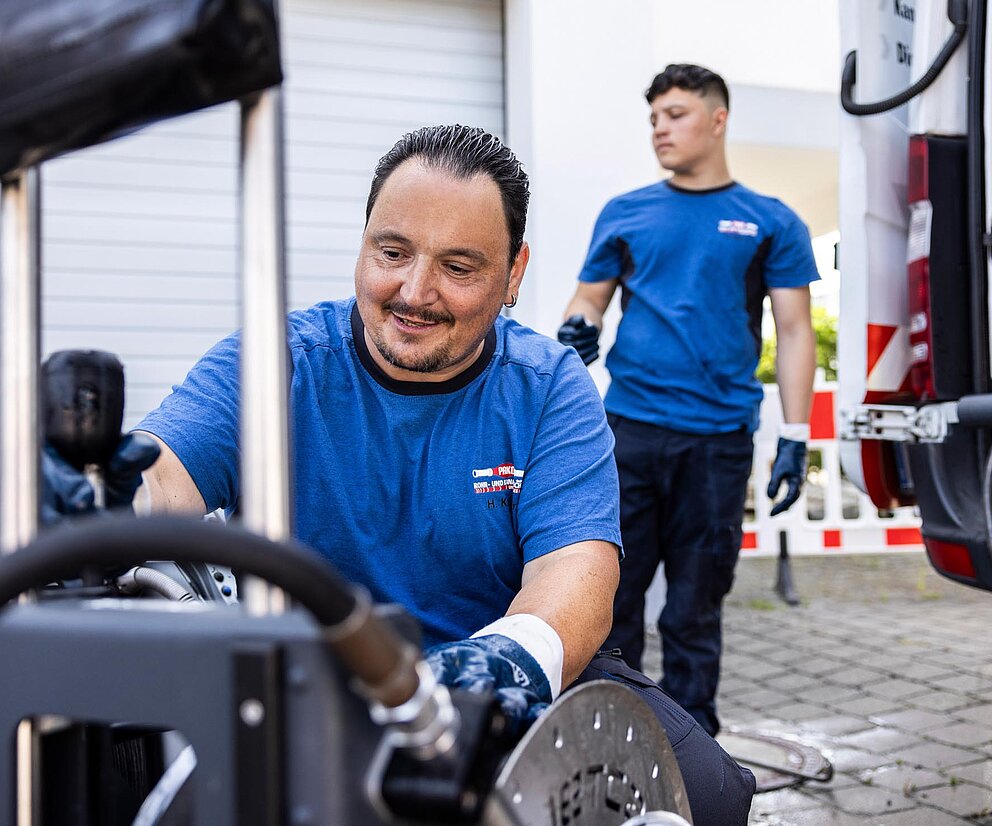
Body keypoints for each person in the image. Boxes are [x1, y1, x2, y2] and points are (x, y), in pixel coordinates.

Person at [46, 124, 755, 823]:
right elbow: (164, 473)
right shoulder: (274, 361)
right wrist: (102, 494)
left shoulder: (548, 387)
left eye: (458, 266)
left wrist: (504, 663)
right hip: (312, 687)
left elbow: (576, 580)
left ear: (513, 274)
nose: (414, 292)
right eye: (393, 252)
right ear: (363, 246)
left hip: (507, 683)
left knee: (713, 795)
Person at [558, 64, 818, 738]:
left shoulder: (770, 221)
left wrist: (795, 435)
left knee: (696, 606)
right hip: (629, 433)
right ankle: (613, 733)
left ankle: (691, 744)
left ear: (717, 118)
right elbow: (590, 296)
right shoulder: (627, 212)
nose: (660, 130)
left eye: (674, 114)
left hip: (718, 441)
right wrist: (578, 324)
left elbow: (793, 330)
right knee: (613, 597)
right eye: (653, 119)